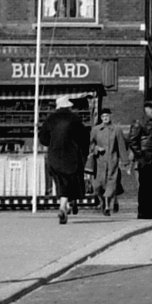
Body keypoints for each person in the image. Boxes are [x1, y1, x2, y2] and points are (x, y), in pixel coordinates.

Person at [41, 95, 90, 225]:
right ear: (68, 106)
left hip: (54, 155)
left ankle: (64, 204)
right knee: (70, 180)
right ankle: (64, 205)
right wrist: (84, 152)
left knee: (60, 181)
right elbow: (84, 137)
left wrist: (53, 141)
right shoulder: (75, 119)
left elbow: (43, 139)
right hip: (71, 155)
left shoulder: (50, 119)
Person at [86, 103, 129, 216]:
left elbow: (121, 146)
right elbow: (90, 145)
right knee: (97, 186)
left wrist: (125, 161)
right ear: (101, 118)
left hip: (112, 162)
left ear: (110, 116)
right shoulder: (96, 130)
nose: (105, 118)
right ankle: (103, 201)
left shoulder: (116, 130)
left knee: (111, 183)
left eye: (107, 116)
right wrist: (96, 148)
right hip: (99, 162)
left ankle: (107, 206)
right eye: (103, 116)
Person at [126, 102, 152, 220]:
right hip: (145, 159)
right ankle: (143, 212)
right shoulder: (139, 122)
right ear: (146, 109)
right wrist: (140, 155)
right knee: (145, 186)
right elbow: (132, 140)